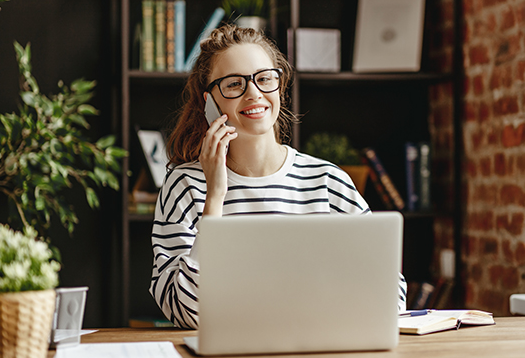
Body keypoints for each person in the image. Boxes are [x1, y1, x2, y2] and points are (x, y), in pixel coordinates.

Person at [150, 24, 407, 329]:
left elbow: (391, 296)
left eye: (265, 79)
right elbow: (187, 313)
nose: (254, 93)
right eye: (234, 84)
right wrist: (215, 197)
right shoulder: (185, 186)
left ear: (280, 86)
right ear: (210, 101)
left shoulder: (328, 181)